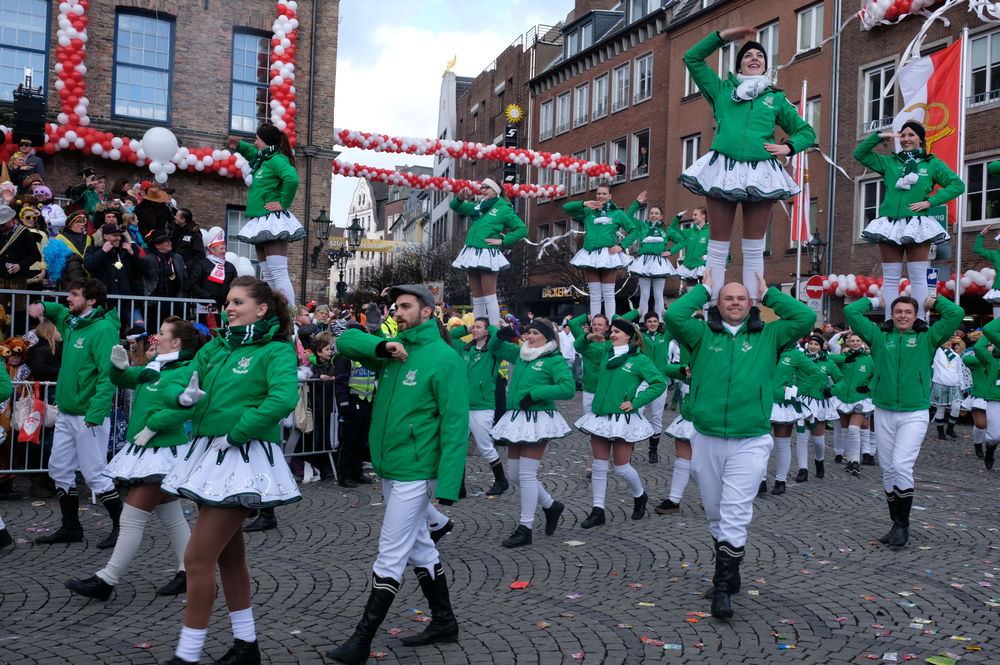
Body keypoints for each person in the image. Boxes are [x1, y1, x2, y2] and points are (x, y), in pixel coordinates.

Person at [160, 277, 301, 665]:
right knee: (229, 558)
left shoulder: (275, 350)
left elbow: (283, 398)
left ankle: (188, 655)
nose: (229, 308)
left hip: (243, 458)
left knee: (196, 559)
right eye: (227, 302)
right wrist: (181, 397)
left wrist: (238, 432)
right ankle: (246, 646)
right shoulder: (217, 347)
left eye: (238, 302)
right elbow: (181, 383)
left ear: (261, 309)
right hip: (210, 456)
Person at [327, 284, 467, 664]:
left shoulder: (445, 358)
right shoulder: (395, 351)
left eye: (405, 306)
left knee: (390, 555)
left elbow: (455, 424)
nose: (397, 312)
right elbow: (345, 341)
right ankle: (444, 621)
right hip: (390, 467)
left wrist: (449, 484)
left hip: (416, 471)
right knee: (421, 547)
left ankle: (361, 640)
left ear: (428, 312)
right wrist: (383, 347)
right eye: (395, 307)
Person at [664, 270, 814, 618]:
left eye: (741, 298)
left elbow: (805, 317)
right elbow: (674, 317)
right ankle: (731, 575)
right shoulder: (700, 333)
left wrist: (770, 293)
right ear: (718, 304)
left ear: (751, 304)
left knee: (734, 511)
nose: (735, 303)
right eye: (728, 298)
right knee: (715, 512)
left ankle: (722, 587)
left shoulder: (770, 334)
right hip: (707, 436)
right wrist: (702, 289)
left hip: (751, 438)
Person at [64, 316, 202, 601]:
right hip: (149, 451)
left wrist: (154, 425)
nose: (155, 337)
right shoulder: (156, 366)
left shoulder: (184, 370)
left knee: (131, 518)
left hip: (161, 453)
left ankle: (107, 579)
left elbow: (187, 407)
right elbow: (125, 378)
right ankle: (189, 573)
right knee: (172, 516)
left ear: (176, 342)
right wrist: (118, 367)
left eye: (161, 333)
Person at [680, 28, 814, 302]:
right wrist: (723, 36)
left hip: (760, 172)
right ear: (739, 64)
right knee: (717, 247)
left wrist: (788, 147)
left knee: (754, 247)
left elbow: (806, 132)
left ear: (765, 65)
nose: (754, 58)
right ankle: (713, 309)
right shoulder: (721, 90)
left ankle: (751, 308)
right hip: (724, 169)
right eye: (748, 55)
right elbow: (692, 58)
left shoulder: (775, 98)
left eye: (760, 56)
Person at [845, 292, 963, 549]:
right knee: (888, 468)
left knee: (901, 465)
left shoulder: (927, 338)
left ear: (915, 316)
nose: (902, 316)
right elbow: (850, 312)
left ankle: (903, 524)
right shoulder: (878, 337)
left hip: (914, 412)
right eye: (898, 311)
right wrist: (874, 301)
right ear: (892, 314)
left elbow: (957, 314)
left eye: (908, 312)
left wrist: (935, 302)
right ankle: (895, 523)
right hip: (884, 410)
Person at [29, 279, 123, 548]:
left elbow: (108, 374)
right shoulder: (73, 322)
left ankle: (123, 528)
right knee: (59, 469)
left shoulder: (103, 329)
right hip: (67, 412)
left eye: (74, 294)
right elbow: (57, 311)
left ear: (91, 300)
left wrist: (97, 411)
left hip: (88, 415)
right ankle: (71, 527)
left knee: (94, 474)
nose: (68, 299)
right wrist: (42, 306)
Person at [853, 122, 964, 321]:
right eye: (902, 135)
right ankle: (889, 320)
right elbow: (859, 154)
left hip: (917, 224)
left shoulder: (932, 164)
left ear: (920, 139)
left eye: (911, 135)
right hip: (890, 223)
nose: (905, 139)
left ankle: (920, 320)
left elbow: (957, 185)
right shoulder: (889, 162)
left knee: (918, 276)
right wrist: (878, 136)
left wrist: (929, 202)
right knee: (891, 277)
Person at [486, 318, 575, 547]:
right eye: (529, 332)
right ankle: (551, 506)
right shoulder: (521, 353)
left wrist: (536, 394)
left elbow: (568, 388)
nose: (530, 336)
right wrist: (501, 335)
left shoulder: (554, 360)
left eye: (535, 333)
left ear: (547, 337)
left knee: (526, 475)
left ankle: (525, 528)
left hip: (538, 419)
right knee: (514, 475)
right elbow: (494, 348)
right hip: (517, 419)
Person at [574, 318, 667, 528]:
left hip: (623, 419)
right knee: (598, 466)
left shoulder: (639, 360)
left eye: (617, 332)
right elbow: (579, 347)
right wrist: (588, 336)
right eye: (612, 331)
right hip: (600, 417)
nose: (613, 334)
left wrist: (636, 402)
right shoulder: (604, 353)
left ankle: (640, 495)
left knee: (621, 467)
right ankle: (597, 510)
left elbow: (659, 383)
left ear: (628, 336)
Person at [227, 123, 302, 306]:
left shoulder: (277, 159)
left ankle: (289, 314)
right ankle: (275, 311)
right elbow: (253, 154)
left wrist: (283, 203)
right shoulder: (264, 159)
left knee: (278, 272)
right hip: (261, 219)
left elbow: (292, 179)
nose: (255, 142)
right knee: (267, 273)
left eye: (257, 139)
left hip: (271, 220)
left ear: (265, 141)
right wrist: (240, 145)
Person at [449, 179, 527, 325]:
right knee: (477, 298)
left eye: (487, 188)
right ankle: (479, 329)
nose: (483, 190)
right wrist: (459, 198)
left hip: (487, 254)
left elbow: (522, 229)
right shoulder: (479, 207)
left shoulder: (504, 209)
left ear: (496, 191)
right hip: (472, 253)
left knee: (489, 296)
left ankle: (493, 330)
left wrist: (502, 240)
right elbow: (456, 207)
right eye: (482, 188)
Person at [449, 317, 509, 496]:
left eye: (478, 327)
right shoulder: (464, 348)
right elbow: (448, 336)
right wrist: (466, 328)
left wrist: (492, 328)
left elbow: (499, 338)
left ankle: (501, 481)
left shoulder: (494, 350)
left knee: (484, 446)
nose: (474, 329)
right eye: (473, 327)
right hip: (462, 405)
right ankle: (459, 487)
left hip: (482, 406)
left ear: (487, 331)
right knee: (458, 446)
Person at [564, 184, 640, 317]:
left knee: (608, 293)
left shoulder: (618, 213)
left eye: (604, 194)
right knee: (594, 295)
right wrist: (584, 203)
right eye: (599, 193)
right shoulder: (588, 211)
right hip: (591, 254)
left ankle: (610, 324)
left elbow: (634, 231)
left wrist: (621, 246)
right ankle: (596, 325)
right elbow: (566, 208)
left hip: (608, 254)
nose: (601, 196)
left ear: (610, 196)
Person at [332, 321, 377, 489]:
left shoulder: (367, 356)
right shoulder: (345, 356)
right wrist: (344, 405)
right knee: (347, 441)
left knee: (360, 441)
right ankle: (344, 475)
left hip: (367, 401)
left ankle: (357, 473)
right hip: (352, 402)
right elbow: (340, 382)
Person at [794, 335, 842, 483]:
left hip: (820, 402)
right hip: (802, 401)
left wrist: (832, 390)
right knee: (802, 437)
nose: (813, 346)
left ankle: (819, 461)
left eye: (816, 344)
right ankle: (803, 469)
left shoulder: (828, 362)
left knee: (818, 440)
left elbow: (841, 380)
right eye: (811, 343)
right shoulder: (800, 359)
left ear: (822, 347)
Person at [627, 192, 684, 316]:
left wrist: (670, 251)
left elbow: (682, 241)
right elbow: (628, 216)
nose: (654, 215)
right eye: (652, 213)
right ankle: (643, 320)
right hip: (644, 262)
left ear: (661, 216)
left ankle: (660, 321)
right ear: (649, 215)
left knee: (658, 294)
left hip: (659, 262)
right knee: (644, 294)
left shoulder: (666, 229)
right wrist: (637, 203)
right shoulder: (642, 226)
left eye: (656, 213)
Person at [829, 332, 875, 477]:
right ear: (848, 342)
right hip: (843, 398)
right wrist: (844, 358)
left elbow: (877, 375)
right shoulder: (844, 357)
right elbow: (829, 357)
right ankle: (850, 459)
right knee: (845, 431)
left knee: (854, 429)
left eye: (858, 340)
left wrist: (869, 387)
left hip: (860, 398)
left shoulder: (870, 359)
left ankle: (855, 461)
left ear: (862, 342)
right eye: (852, 340)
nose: (855, 343)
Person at [83, 222, 143, 296]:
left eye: (119, 235)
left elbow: (140, 270)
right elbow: (89, 266)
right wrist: (103, 251)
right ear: (105, 236)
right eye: (115, 235)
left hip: (127, 299)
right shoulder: (94, 249)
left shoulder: (127, 250)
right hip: (104, 298)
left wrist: (132, 254)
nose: (118, 238)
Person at [963, 332, 992, 460]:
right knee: (981, 424)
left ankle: (991, 449)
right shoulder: (976, 361)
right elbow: (965, 359)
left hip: (995, 397)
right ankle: (978, 444)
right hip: (980, 397)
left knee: (994, 429)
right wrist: (985, 355)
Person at [189, 231, 238, 307]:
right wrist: (208, 297)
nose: (224, 251)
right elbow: (194, 284)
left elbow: (236, 284)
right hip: (204, 305)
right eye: (221, 249)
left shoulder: (230, 266)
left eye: (225, 249)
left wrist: (228, 297)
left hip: (225, 306)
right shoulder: (201, 265)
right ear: (212, 250)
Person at [45, 210, 92, 288]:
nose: (82, 224)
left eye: (83, 222)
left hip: (87, 277)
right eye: (79, 222)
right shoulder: (59, 238)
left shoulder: (88, 238)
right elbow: (54, 261)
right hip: (67, 277)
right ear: (71, 224)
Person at [930, 337, 966, 440]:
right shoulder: (937, 352)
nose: (948, 342)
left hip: (954, 385)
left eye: (950, 341)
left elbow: (959, 371)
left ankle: (950, 429)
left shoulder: (956, 356)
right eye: (946, 341)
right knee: (941, 408)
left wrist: (962, 385)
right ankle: (940, 432)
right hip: (940, 384)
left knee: (956, 407)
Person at [0, 202, 42, 289]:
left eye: (3, 223)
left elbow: (35, 255)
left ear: (11, 219)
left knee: (18, 298)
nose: (1, 226)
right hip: (1, 278)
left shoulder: (24, 232)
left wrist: (20, 265)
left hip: (18, 279)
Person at [142, 229, 187, 298]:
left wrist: (182, 296)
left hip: (175, 300)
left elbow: (184, 279)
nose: (170, 243)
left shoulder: (178, 258)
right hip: (154, 300)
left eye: (169, 241)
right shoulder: (148, 259)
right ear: (157, 245)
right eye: (166, 241)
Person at [172, 208, 205, 273]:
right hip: (174, 268)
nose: (174, 217)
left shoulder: (194, 234)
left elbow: (199, 255)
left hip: (187, 272)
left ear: (183, 220)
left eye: (177, 216)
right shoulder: (176, 230)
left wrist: (185, 266)